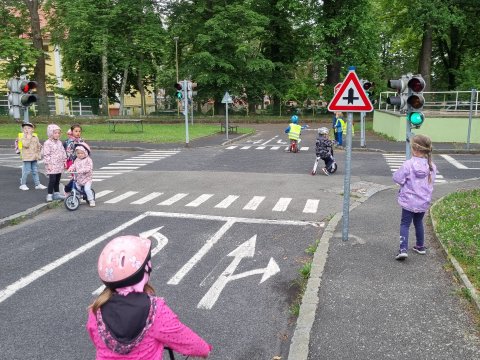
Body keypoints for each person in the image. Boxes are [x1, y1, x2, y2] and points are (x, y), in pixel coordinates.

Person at [87, 235, 212, 359]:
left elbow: (96, 340)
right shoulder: (156, 312)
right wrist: (205, 349)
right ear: (144, 270)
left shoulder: (96, 309)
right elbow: (191, 343)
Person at [393, 134, 437, 260]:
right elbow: (431, 183)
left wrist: (403, 183)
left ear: (414, 149)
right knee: (418, 222)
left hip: (409, 201)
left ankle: (403, 249)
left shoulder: (408, 164)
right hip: (423, 201)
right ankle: (420, 246)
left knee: (405, 224)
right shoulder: (432, 166)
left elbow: (397, 178)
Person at [16, 122, 47, 190]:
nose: (26, 130)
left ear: (32, 129)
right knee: (26, 171)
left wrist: (40, 150)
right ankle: (23, 184)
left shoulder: (35, 136)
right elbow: (26, 145)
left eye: (29, 128)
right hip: (27, 157)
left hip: (34, 157)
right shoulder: (22, 137)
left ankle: (37, 184)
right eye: (24, 128)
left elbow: (38, 145)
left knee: (35, 171)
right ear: (23, 130)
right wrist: (28, 137)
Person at [43, 124, 67, 202]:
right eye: (55, 133)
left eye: (58, 133)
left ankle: (56, 193)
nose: (57, 134)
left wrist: (64, 160)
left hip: (59, 164)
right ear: (50, 133)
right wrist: (48, 164)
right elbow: (46, 154)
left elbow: (63, 152)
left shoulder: (59, 142)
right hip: (51, 165)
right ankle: (49, 194)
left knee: (57, 180)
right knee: (52, 180)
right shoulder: (47, 143)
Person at [66, 143, 95, 207]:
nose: (80, 155)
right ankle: (77, 198)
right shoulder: (77, 160)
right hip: (79, 178)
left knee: (87, 189)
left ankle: (91, 200)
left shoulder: (88, 160)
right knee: (76, 189)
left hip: (87, 179)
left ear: (85, 153)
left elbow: (89, 168)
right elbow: (74, 165)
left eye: (81, 153)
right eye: (78, 153)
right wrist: (70, 169)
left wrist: (82, 171)